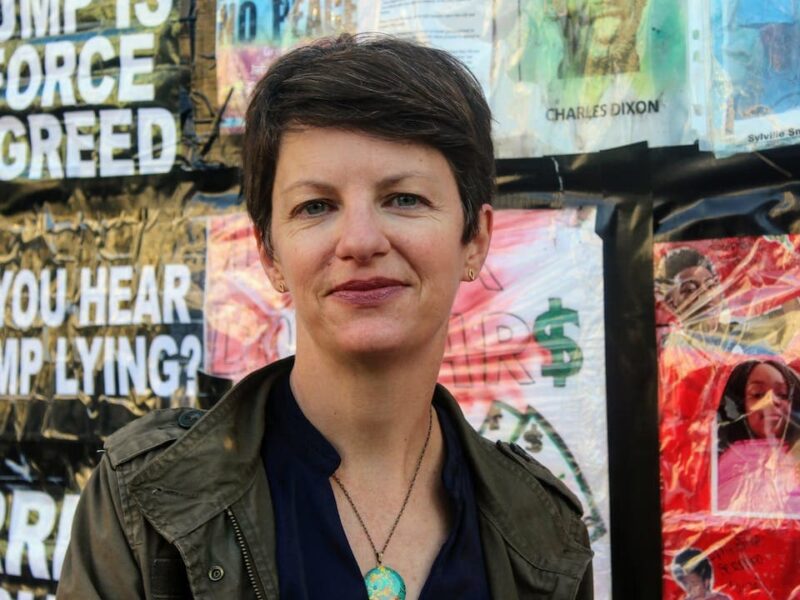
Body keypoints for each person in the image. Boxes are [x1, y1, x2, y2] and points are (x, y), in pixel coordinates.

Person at [57, 34, 593, 599]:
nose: (360, 241)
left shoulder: (543, 531)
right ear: (270, 256)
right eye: (316, 206)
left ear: (476, 239)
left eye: (404, 198)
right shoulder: (144, 497)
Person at [716, 358, 800, 514]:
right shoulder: (733, 458)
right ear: (739, 405)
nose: (771, 401)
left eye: (782, 394)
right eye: (758, 394)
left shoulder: (794, 454)